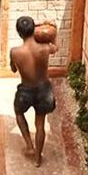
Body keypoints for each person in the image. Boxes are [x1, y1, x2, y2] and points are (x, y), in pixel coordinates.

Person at [10, 16, 58, 167]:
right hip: (43, 89)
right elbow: (55, 47)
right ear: (33, 30)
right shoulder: (45, 48)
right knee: (40, 124)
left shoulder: (15, 52)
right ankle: (38, 158)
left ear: (19, 33)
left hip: (26, 90)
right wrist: (54, 34)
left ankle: (29, 145)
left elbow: (13, 69)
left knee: (18, 112)